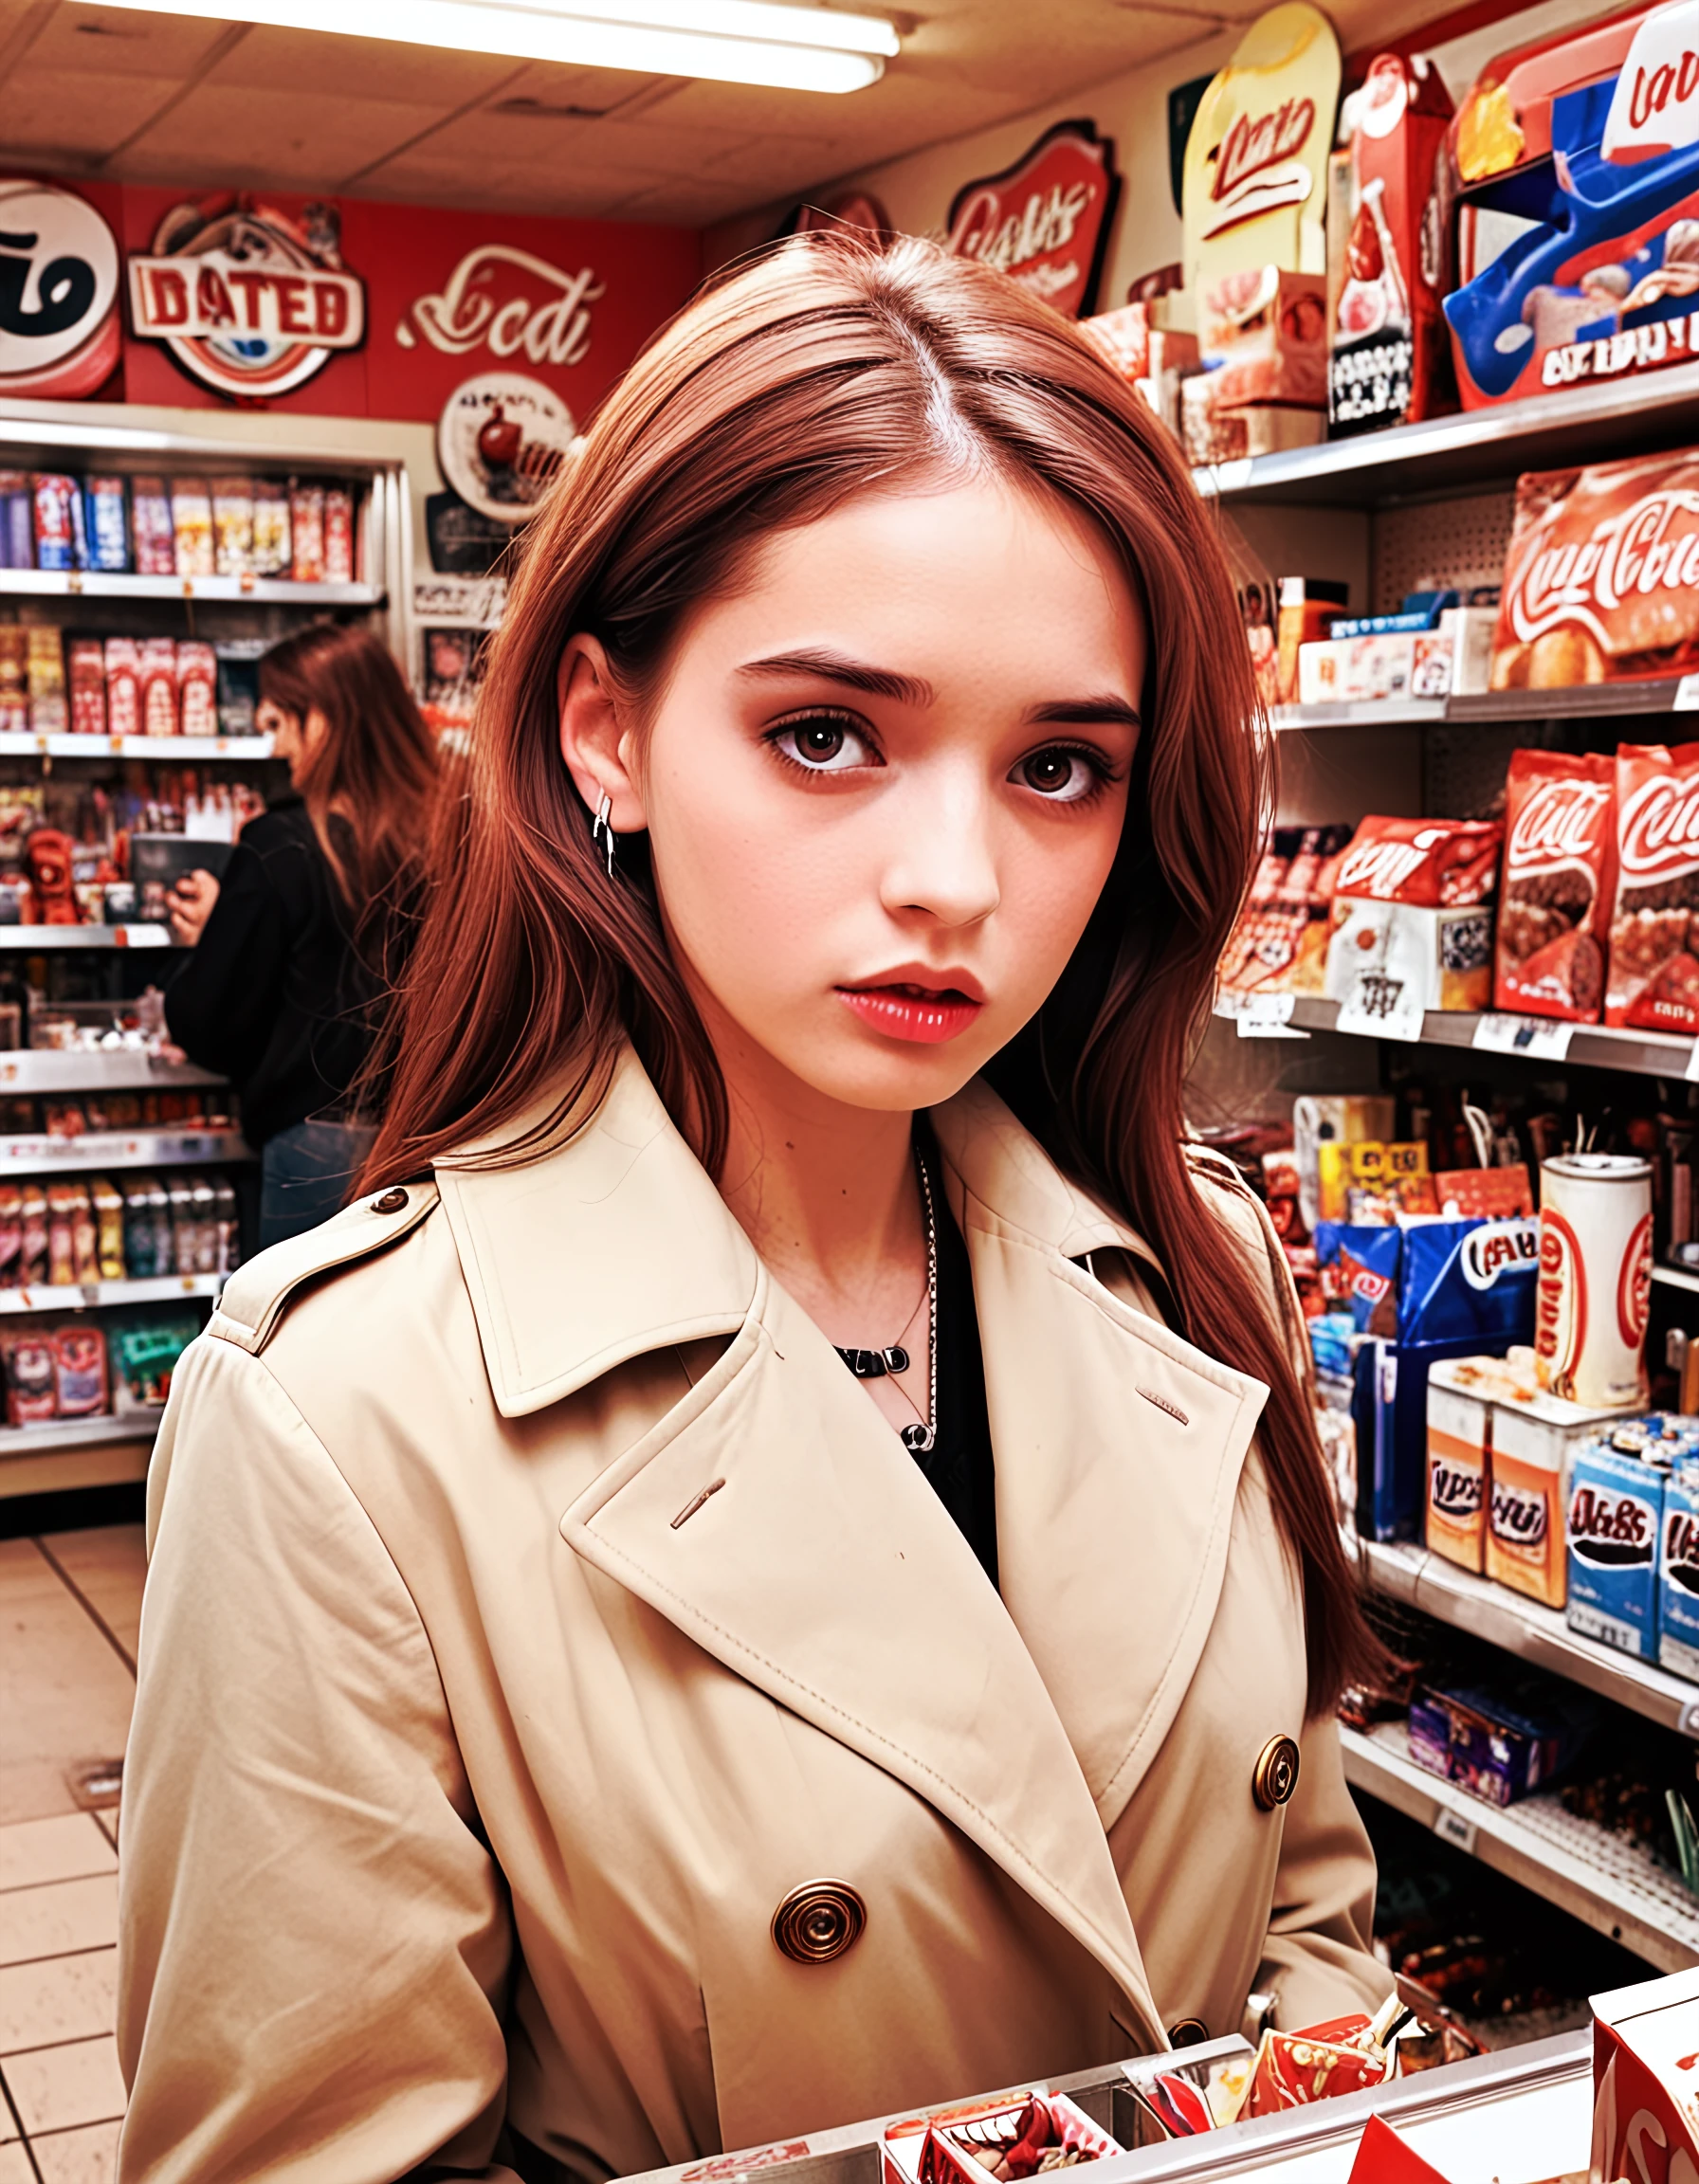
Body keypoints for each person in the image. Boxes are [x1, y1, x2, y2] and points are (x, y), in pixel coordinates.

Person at [117, 236, 1391, 2184]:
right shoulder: (344, 1421)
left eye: (1058, 765)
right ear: (601, 729)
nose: (952, 877)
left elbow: (1300, 1923)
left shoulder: (1196, 1274)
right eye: (825, 735)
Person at [162, 622, 439, 1247]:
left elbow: (208, 1021)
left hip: (318, 1150)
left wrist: (218, 933)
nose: (273, 742)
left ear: (325, 722)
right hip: (433, 1135)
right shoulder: (454, 830)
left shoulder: (280, 845)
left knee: (305, 1339)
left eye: (280, 721)